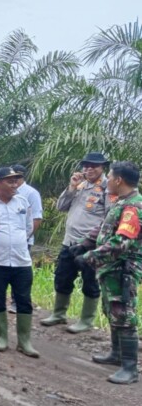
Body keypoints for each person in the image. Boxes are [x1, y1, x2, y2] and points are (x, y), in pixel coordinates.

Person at [75, 161, 142, 384]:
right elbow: (106, 226)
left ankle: (130, 368)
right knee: (112, 310)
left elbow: (122, 241)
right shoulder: (121, 203)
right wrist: (85, 243)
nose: (108, 182)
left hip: (123, 269)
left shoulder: (133, 207)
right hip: (111, 269)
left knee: (123, 313)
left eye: (110, 177)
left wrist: (90, 257)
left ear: (118, 180)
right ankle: (116, 354)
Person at [40, 152, 113, 333]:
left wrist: (95, 242)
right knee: (62, 277)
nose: (89, 169)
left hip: (91, 245)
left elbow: (110, 219)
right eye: (86, 166)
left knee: (90, 281)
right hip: (69, 242)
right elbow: (61, 207)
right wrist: (71, 187)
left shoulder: (107, 188)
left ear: (102, 167)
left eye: (93, 166)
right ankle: (59, 313)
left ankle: (86, 320)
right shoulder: (79, 185)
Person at [0, 167, 39, 358]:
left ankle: (25, 341)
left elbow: (27, 228)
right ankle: (2, 338)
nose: (15, 184)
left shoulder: (23, 202)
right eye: (10, 181)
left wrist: (15, 242)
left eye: (16, 180)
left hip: (21, 261)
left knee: (24, 299)